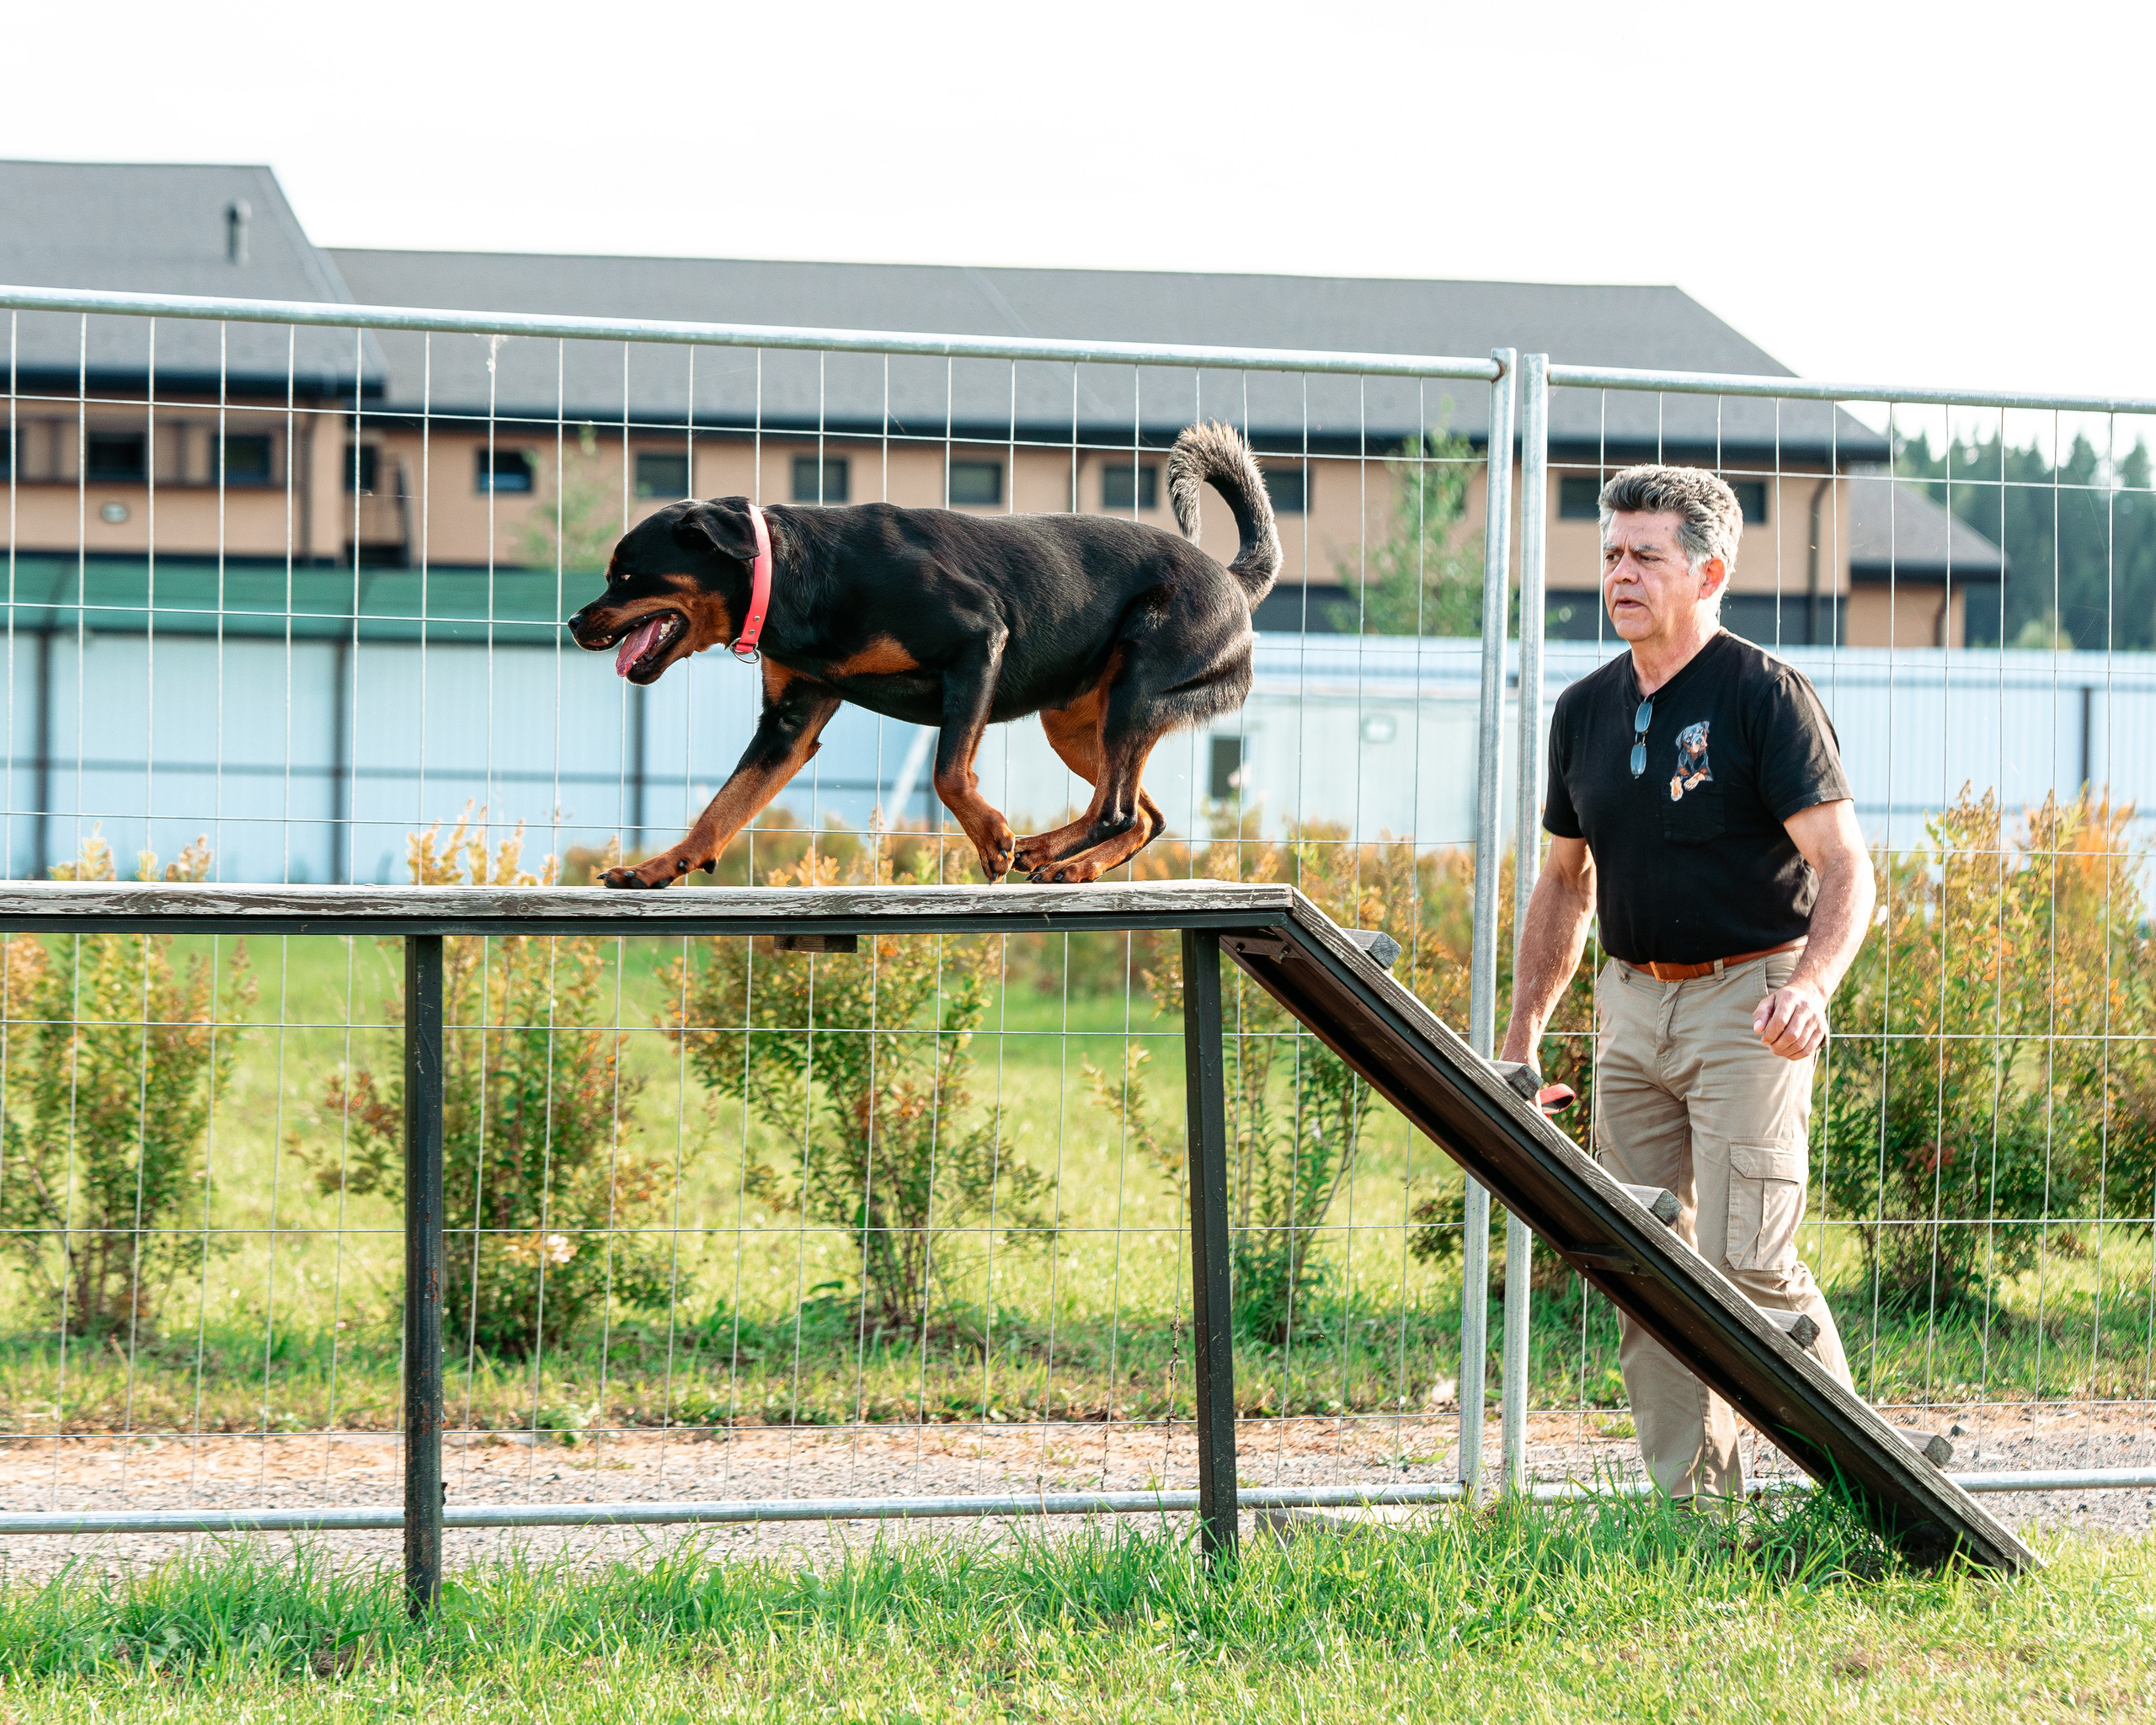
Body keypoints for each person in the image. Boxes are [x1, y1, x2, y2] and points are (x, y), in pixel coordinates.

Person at [1498, 464, 1876, 1501]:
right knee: (1647, 1271)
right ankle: (1695, 1518)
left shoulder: (1763, 696)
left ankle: (1867, 1493)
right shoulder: (1582, 710)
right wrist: (1524, 1035)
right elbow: (1563, 882)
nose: (1619, 573)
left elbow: (1845, 866)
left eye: (1643, 556)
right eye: (1610, 554)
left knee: (1748, 1258)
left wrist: (1811, 987)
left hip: (1748, 1002)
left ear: (1708, 570)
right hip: (1631, 1006)